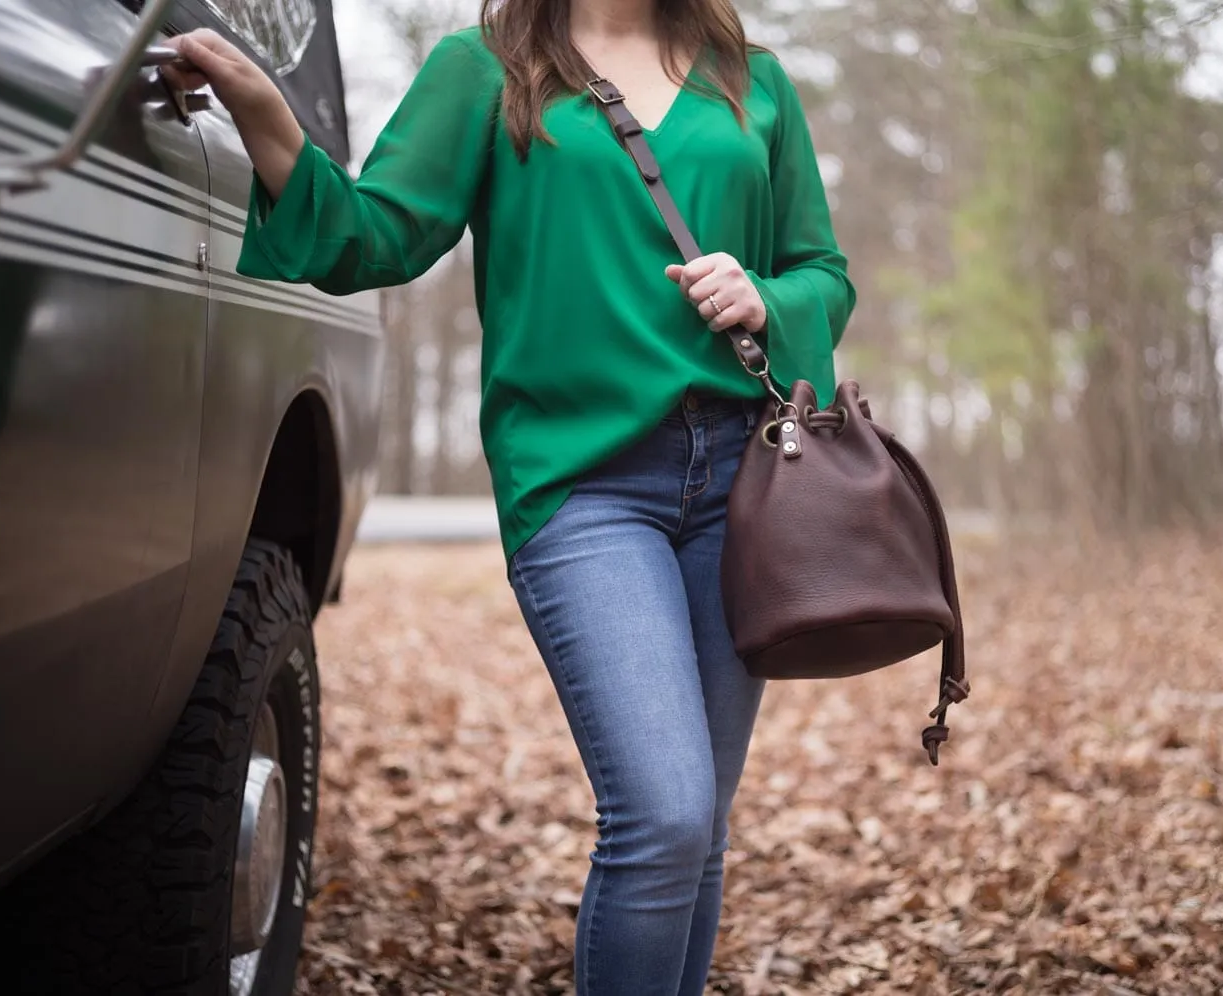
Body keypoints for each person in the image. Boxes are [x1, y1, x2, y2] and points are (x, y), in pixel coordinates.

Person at [164, 0, 854, 989]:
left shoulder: (753, 79)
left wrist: (770, 298)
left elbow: (823, 273)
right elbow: (376, 236)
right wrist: (265, 111)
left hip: (741, 489)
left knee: (698, 833)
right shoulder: (484, 69)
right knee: (661, 814)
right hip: (582, 486)